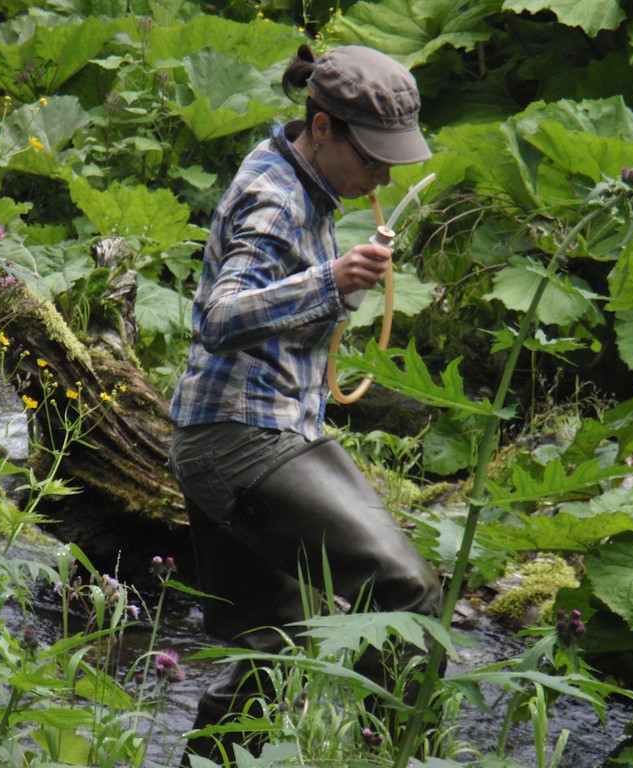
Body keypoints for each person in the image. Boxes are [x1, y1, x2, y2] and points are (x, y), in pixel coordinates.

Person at [168, 44, 444, 762]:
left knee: (281, 644)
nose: (384, 173)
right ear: (321, 127)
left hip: (226, 435)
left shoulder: (307, 182)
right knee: (408, 590)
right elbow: (218, 317)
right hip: (243, 440)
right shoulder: (275, 199)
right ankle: (385, 753)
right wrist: (330, 279)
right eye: (373, 156)